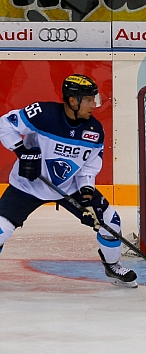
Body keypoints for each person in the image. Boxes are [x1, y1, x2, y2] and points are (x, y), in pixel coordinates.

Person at [0, 74, 137, 288]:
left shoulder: (94, 131)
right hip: (27, 185)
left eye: (95, 99)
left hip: (69, 186)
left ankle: (113, 265)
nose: (94, 104)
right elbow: (5, 125)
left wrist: (86, 193)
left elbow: (88, 167)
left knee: (110, 221)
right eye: (89, 100)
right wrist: (21, 152)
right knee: (1, 229)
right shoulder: (42, 114)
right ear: (73, 100)